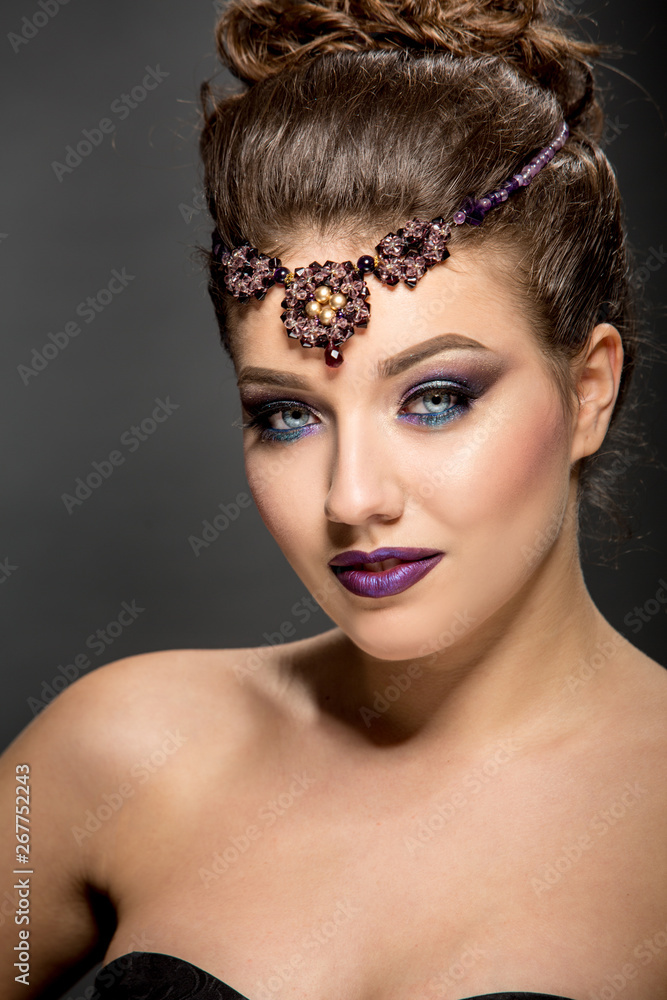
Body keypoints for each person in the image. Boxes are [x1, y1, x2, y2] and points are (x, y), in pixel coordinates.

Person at [1, 2, 665, 999]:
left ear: (588, 391)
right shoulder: (116, 751)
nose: (352, 498)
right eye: (287, 415)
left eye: (435, 399)